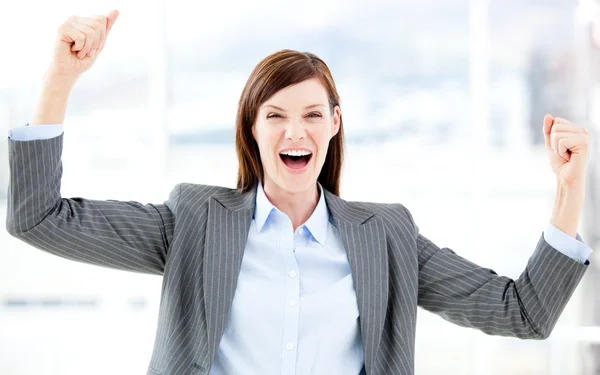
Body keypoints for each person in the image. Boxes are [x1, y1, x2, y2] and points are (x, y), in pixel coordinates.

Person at [5, 10, 593, 375]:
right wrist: (61, 78)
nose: (295, 131)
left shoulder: (386, 237)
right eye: (276, 115)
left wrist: (569, 191)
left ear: (334, 125)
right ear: (252, 129)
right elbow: (37, 216)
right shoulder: (194, 221)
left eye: (313, 114)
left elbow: (525, 312)